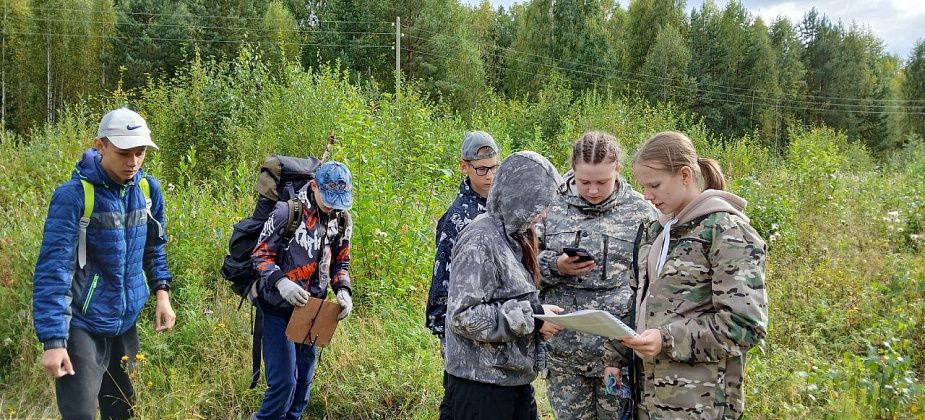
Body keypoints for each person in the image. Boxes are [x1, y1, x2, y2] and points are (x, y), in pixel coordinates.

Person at [32, 107, 176, 420]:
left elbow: (154, 248)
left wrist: (162, 295)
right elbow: (52, 271)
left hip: (125, 324)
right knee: (81, 414)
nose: (133, 162)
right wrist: (54, 342)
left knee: (123, 411)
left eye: (140, 153)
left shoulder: (148, 191)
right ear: (101, 146)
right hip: (82, 323)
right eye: (125, 153)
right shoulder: (73, 197)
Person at [621, 131, 768, 419]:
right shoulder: (657, 231)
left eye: (654, 185)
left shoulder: (726, 232)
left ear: (685, 175)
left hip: (700, 404)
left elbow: (745, 326)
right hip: (650, 400)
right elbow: (640, 304)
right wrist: (616, 352)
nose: (646, 196)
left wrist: (666, 340)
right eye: (643, 187)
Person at [537, 131, 657, 420]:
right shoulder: (549, 206)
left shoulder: (643, 212)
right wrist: (556, 265)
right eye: (584, 182)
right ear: (572, 172)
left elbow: (653, 280)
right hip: (564, 354)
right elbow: (521, 264)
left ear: (618, 170)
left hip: (615, 356)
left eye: (602, 182)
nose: (592, 190)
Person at [444, 151, 565, 420]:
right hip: (481, 388)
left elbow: (511, 299)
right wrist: (533, 319)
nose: (543, 214)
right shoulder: (480, 239)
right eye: (538, 204)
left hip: (514, 382)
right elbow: (463, 316)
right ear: (519, 197)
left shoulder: (516, 237)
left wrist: (538, 316)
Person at [250, 160, 355, 420]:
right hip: (277, 308)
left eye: (339, 200)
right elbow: (260, 255)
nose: (332, 205)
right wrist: (281, 282)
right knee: (284, 383)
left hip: (313, 312)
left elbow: (340, 262)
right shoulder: (288, 212)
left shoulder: (342, 219)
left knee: (302, 387)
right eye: (328, 198)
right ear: (314, 185)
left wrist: (343, 290)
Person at [425, 130, 500, 419]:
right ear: (464, 166)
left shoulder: (501, 207)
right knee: (462, 399)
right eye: (481, 169)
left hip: (495, 321)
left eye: (494, 167)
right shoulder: (456, 217)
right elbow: (443, 277)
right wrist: (444, 331)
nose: (489, 175)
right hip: (461, 323)